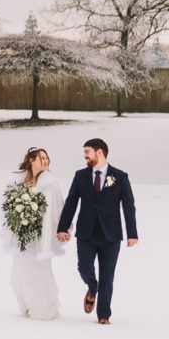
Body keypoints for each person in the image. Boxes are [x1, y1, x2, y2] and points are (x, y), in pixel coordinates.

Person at [56, 138, 138, 324]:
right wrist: (63, 228)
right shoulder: (80, 176)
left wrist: (132, 233)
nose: (85, 156)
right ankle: (93, 287)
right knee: (84, 268)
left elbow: (128, 206)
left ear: (99, 152)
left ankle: (103, 315)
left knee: (107, 275)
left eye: (87, 152)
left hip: (111, 235)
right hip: (86, 233)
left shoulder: (120, 177)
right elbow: (71, 203)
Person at [2, 146, 66, 319]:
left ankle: (43, 308)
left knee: (39, 272)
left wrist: (61, 229)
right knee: (19, 273)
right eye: (41, 158)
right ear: (31, 160)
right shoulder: (16, 180)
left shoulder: (50, 183)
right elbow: (6, 204)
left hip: (40, 236)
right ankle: (27, 304)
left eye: (47, 159)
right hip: (21, 236)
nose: (45, 161)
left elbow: (58, 208)